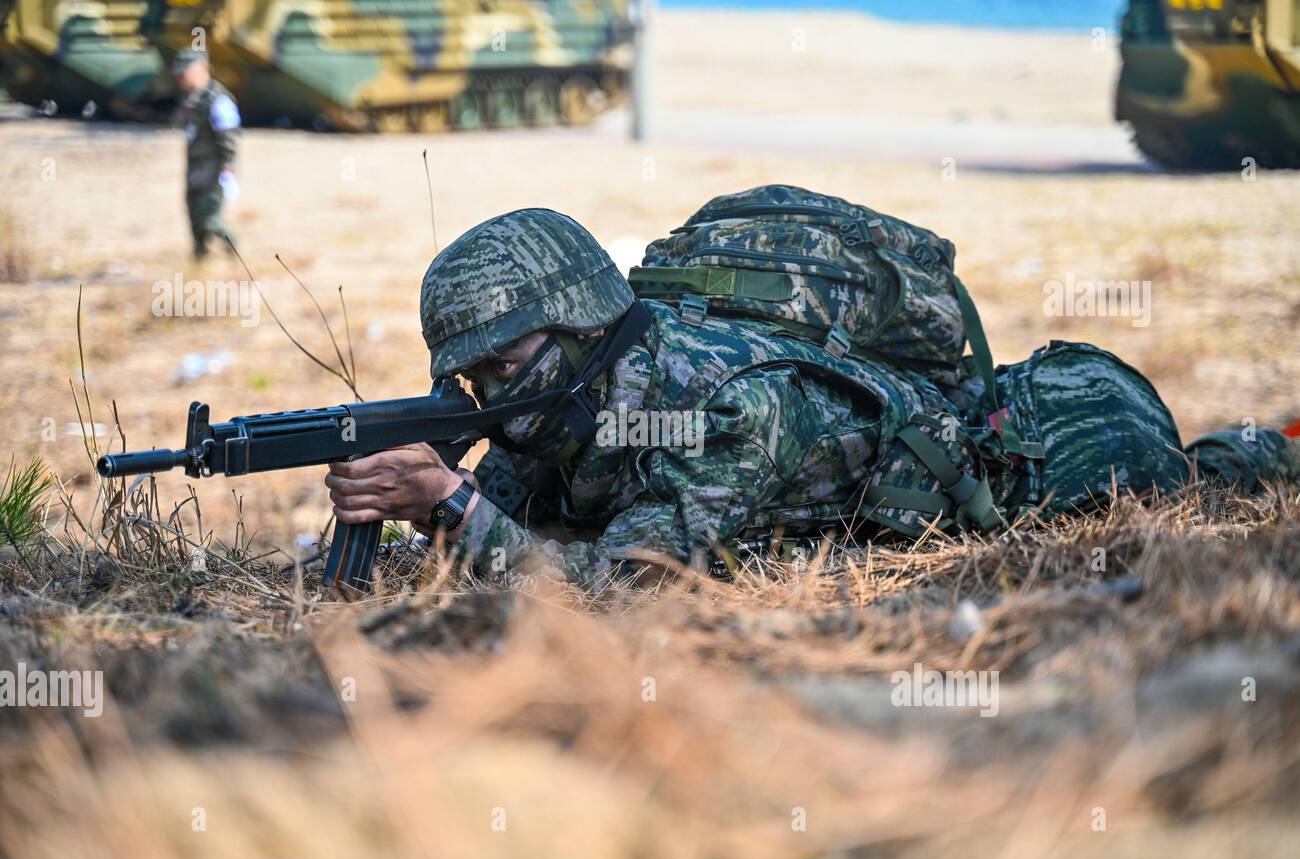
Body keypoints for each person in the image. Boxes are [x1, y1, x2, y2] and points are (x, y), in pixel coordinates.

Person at [324, 207, 1300, 589]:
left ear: (581, 327)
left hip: (1060, 442)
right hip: (970, 421)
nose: (493, 393)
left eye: (509, 362)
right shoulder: (576, 390)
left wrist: (449, 505)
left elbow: (615, 600)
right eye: (474, 376)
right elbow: (532, 512)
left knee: (1210, 483)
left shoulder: (728, 410)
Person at [171, 50, 240, 259]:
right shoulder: (193, 99)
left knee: (212, 221)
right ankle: (200, 267)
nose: (181, 78)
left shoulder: (218, 99)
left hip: (213, 171)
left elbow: (228, 135)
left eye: (185, 72)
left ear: (201, 68)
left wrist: (228, 166)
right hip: (195, 170)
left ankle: (236, 257)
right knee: (196, 227)